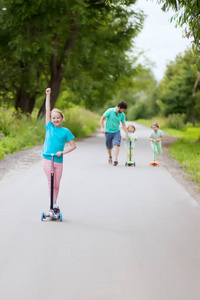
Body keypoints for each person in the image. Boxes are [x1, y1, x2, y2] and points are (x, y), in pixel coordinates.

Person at [42, 88, 76, 213]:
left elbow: (73, 146)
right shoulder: (49, 127)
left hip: (58, 160)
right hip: (47, 159)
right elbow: (47, 109)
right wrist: (48, 95)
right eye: (53, 118)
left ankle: (54, 204)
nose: (56, 120)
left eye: (58, 118)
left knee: (56, 183)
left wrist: (62, 152)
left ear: (62, 118)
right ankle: (52, 205)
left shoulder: (65, 131)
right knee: (50, 184)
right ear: (50, 119)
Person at [100, 101, 130, 166]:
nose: (124, 111)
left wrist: (128, 134)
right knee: (109, 147)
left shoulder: (122, 115)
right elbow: (102, 118)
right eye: (123, 109)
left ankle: (115, 159)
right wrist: (102, 128)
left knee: (116, 144)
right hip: (108, 131)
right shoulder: (110, 111)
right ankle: (110, 156)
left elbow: (124, 125)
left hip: (116, 131)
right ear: (119, 107)